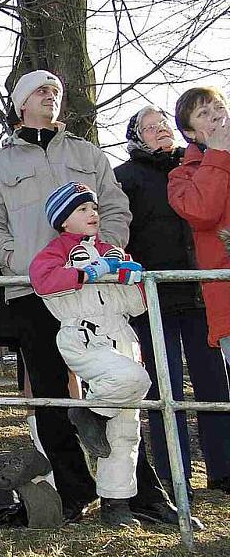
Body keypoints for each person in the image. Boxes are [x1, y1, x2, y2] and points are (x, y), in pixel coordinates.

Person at [0, 69, 182, 525]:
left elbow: (116, 207)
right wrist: (22, 261)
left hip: (96, 295)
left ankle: (140, 493)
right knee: (49, 395)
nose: (50, 97)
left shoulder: (89, 154)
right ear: (21, 102)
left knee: (121, 385)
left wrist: (102, 254)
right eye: (40, 91)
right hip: (33, 292)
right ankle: (72, 492)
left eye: (56, 91)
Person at [115, 105, 230, 499]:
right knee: (165, 390)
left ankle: (224, 469)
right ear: (136, 137)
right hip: (154, 298)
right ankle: (172, 472)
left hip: (200, 293)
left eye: (164, 125)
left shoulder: (197, 167)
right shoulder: (125, 178)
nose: (160, 131)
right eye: (150, 127)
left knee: (215, 384)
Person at [30, 182, 152, 526]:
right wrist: (87, 273)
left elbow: (138, 304)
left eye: (94, 208)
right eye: (83, 210)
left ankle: (116, 503)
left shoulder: (112, 251)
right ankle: (90, 413)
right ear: (63, 220)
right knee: (133, 379)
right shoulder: (53, 253)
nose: (93, 214)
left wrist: (131, 278)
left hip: (120, 333)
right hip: (82, 334)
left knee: (127, 427)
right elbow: (44, 282)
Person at [168, 88, 230, 374]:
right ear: (190, 133)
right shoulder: (182, 176)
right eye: (203, 113)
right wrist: (217, 155)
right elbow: (202, 213)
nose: (216, 115)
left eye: (218, 107)